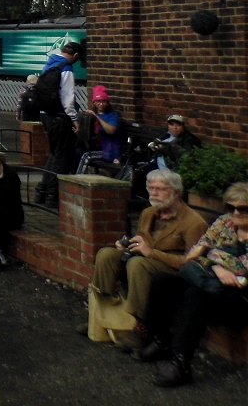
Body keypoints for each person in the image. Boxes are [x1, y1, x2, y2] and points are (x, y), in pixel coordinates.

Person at [138, 181, 248, 387]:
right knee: (163, 281)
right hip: (212, 283)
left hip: (238, 298)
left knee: (195, 296)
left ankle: (181, 364)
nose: (236, 212)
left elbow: (242, 271)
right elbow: (195, 253)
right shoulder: (224, 222)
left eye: (243, 208)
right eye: (230, 207)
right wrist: (217, 267)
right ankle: (160, 339)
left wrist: (211, 256)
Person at [84, 169, 207, 350]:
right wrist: (128, 245)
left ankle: (141, 328)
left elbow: (191, 262)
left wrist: (151, 253)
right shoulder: (149, 213)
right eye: (151, 188)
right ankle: (100, 314)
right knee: (106, 254)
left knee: (137, 264)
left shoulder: (194, 223)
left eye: (160, 189)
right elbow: (142, 239)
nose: (154, 193)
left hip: (171, 270)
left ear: (176, 193)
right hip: (145, 260)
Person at [34, 41, 83, 207]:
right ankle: (53, 196)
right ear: (75, 56)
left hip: (47, 116)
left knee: (54, 154)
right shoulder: (66, 69)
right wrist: (74, 119)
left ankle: (41, 191)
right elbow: (68, 99)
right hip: (61, 118)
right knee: (62, 157)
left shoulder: (49, 64)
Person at [131, 115, 203, 197]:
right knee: (137, 174)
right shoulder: (166, 135)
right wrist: (153, 146)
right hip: (156, 164)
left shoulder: (189, 140)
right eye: (171, 125)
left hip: (171, 169)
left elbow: (185, 157)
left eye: (178, 125)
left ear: (183, 126)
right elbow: (154, 143)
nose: (174, 128)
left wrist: (167, 149)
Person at [75, 85, 126, 174]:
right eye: (98, 101)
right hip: (93, 147)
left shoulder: (113, 116)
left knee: (85, 156)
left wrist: (97, 117)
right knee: (75, 151)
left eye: (104, 101)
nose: (101, 104)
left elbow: (111, 130)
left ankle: (78, 179)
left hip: (109, 150)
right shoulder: (89, 116)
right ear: (94, 102)